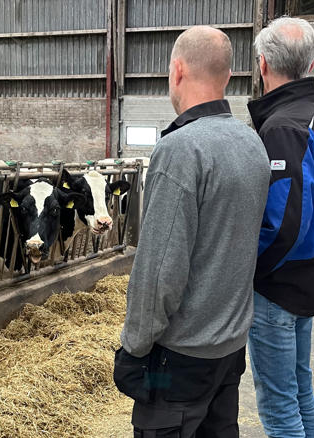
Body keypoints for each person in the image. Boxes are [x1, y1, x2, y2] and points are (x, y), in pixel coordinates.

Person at [113, 25, 271, 437]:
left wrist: (134, 347)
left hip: (178, 361)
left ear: (177, 70)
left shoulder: (181, 150)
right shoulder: (252, 143)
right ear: (227, 76)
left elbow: (159, 270)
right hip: (229, 351)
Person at [247, 16, 314, 438]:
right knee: (299, 389)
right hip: (308, 280)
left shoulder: (285, 127)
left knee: (278, 407)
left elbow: (281, 225)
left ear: (263, 63)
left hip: (277, 289)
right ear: (310, 65)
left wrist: (249, 271)